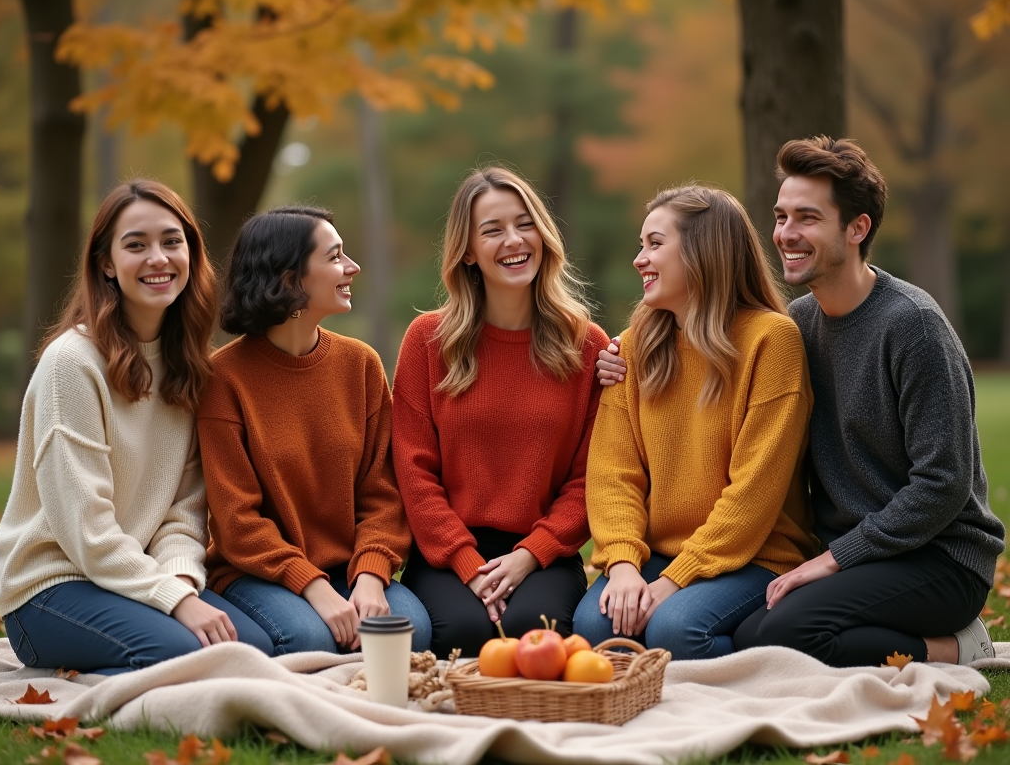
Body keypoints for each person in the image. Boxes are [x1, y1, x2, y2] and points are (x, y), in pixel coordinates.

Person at [726, 136, 1006, 667]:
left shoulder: (912, 326)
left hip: (941, 558)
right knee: (747, 633)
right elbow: (722, 370)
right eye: (781, 216)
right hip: (855, 555)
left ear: (857, 228)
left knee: (783, 634)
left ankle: (957, 648)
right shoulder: (799, 323)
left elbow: (943, 484)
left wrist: (834, 559)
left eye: (807, 218)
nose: (785, 234)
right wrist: (627, 355)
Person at [0, 180, 273, 674]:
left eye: (171, 241)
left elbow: (184, 511)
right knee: (186, 654)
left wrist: (181, 583)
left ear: (191, 252)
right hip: (50, 589)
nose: (158, 258)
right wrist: (172, 601)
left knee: (251, 648)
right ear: (106, 264)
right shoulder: (71, 365)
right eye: (135, 245)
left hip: (128, 577)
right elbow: (86, 531)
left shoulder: (188, 365)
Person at [573, 184, 817, 660]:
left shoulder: (771, 341)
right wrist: (623, 564)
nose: (640, 259)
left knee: (675, 629)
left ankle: (763, 662)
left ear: (705, 251)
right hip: (656, 553)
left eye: (655, 244)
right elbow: (612, 474)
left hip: (755, 554)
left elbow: (754, 494)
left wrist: (674, 581)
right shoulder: (635, 345)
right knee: (592, 627)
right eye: (641, 245)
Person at [391, 166, 608, 657]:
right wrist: (468, 563)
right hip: (447, 551)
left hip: (543, 551)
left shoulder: (586, 346)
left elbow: (589, 479)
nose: (514, 240)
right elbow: (413, 469)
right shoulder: (427, 341)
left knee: (535, 630)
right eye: (492, 230)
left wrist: (531, 556)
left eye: (524, 223)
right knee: (464, 634)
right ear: (467, 251)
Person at [197, 205, 430, 655]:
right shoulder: (223, 379)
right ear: (290, 280)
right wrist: (314, 589)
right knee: (309, 639)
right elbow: (237, 522)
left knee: (409, 632)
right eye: (335, 256)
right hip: (257, 571)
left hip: (349, 568)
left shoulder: (360, 365)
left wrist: (370, 576)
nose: (352, 267)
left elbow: (383, 493)